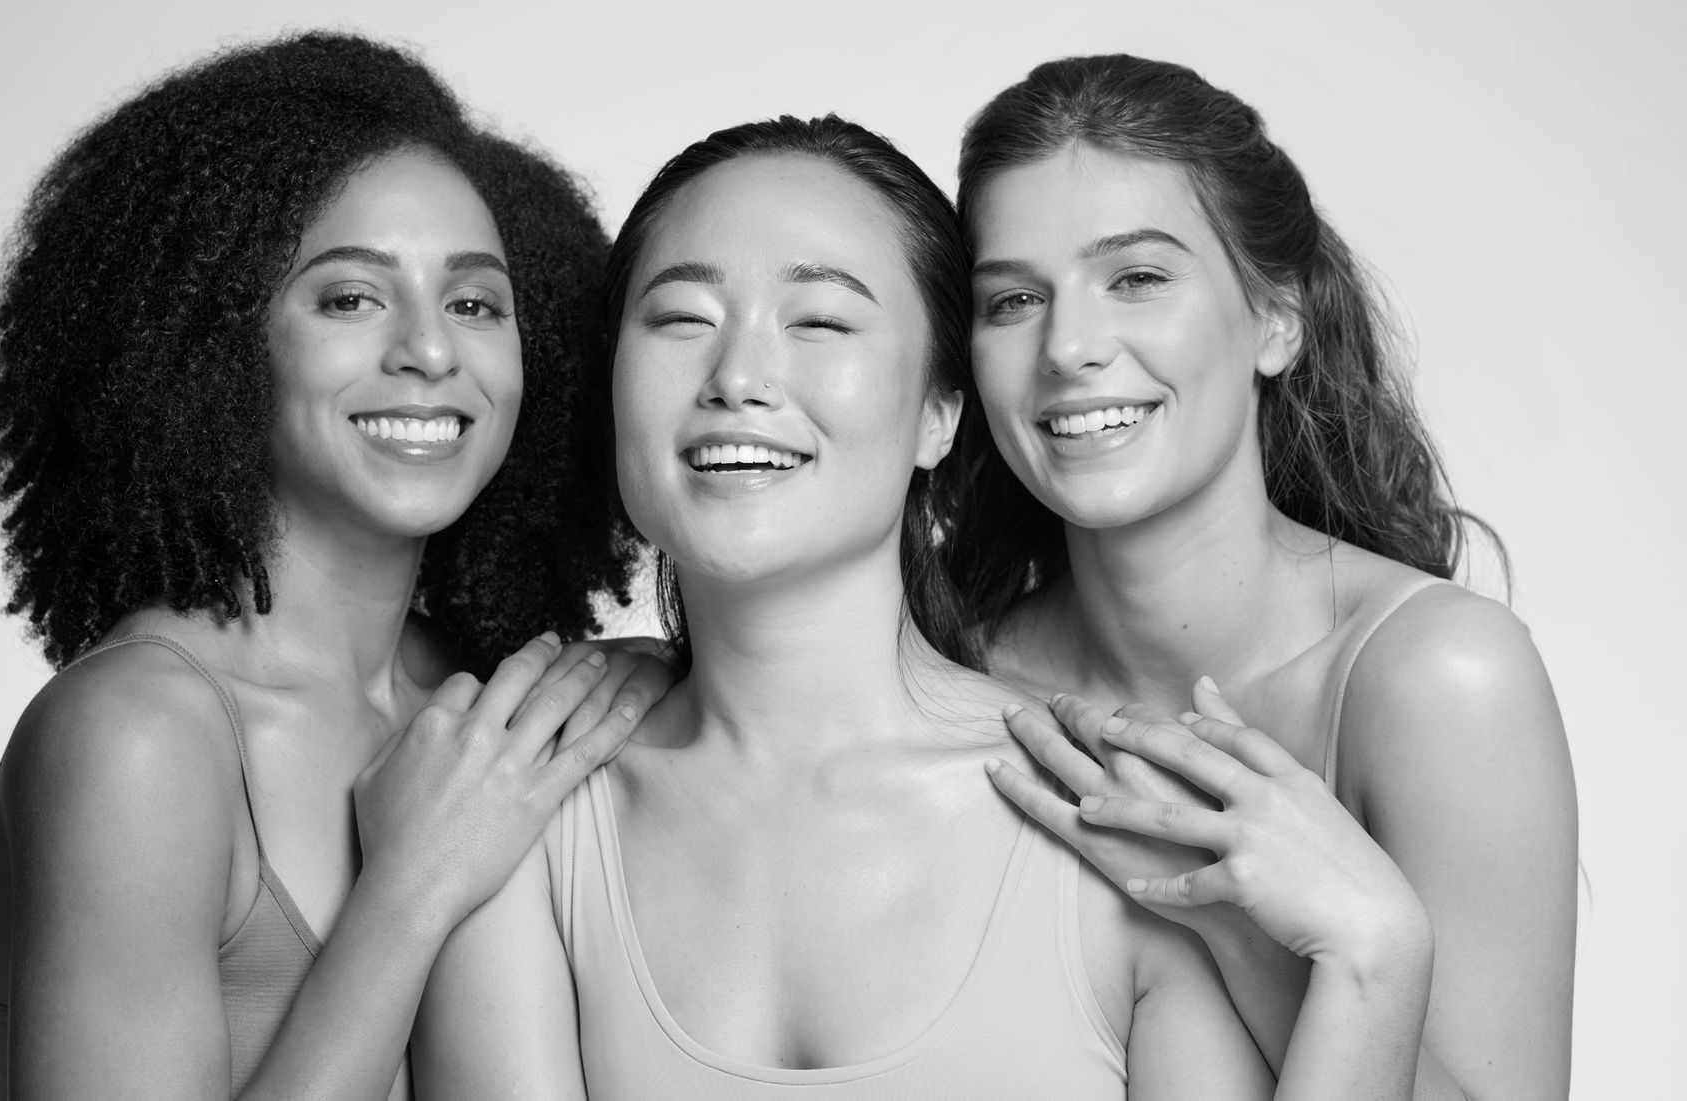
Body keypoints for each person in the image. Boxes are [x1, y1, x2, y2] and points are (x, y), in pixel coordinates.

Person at [415, 114, 1436, 1099]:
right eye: (682, 318)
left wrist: (1373, 955)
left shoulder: (1123, 823)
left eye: (819, 321)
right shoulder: (513, 805)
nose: (738, 377)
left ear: (939, 416)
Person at [0, 32, 669, 1100]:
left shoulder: (480, 697)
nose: (432, 352)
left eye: (476, 303)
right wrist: (413, 885)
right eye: (350, 298)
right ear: (210, 341)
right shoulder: (139, 740)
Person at [954, 55, 1578, 1100]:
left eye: (1139, 278)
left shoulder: (1439, 679)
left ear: (1277, 318)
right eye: (1013, 299)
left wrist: (1247, 934)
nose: (1069, 347)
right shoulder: (950, 680)